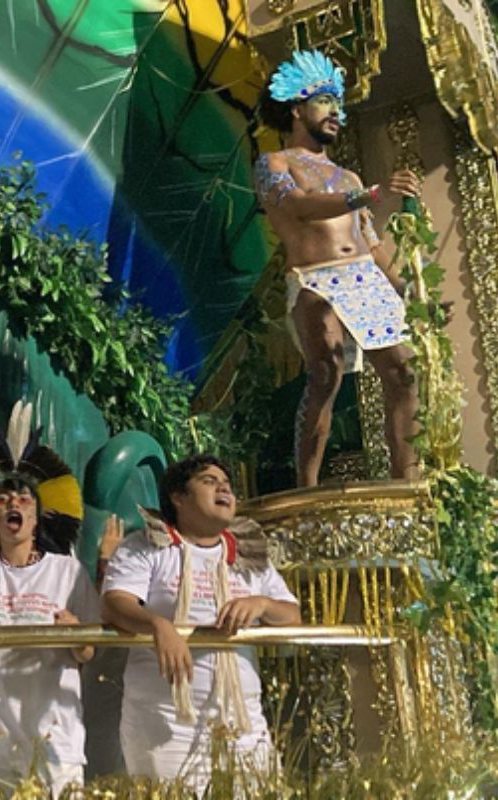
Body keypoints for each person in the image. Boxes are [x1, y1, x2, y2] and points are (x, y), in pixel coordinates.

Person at [255, 51, 421, 487]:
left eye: (338, 104)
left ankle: (408, 482)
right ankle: (307, 485)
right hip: (315, 277)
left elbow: (371, 244)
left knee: (403, 371)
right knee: (326, 372)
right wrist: (368, 195)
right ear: (296, 108)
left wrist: (409, 288)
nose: (336, 113)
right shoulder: (274, 164)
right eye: (326, 101)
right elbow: (297, 206)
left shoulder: (347, 177)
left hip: (363, 277)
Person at [101, 455, 301, 791]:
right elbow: (115, 603)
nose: (223, 487)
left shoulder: (249, 557)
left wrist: (261, 603)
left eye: (226, 483)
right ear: (178, 498)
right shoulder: (146, 546)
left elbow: (293, 617)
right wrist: (158, 626)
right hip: (167, 722)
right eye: (209, 481)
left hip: (244, 721)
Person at [0, 475, 102, 797]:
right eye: (2, 500)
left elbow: (88, 653)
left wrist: (76, 633)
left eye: (24, 500)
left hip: (56, 737)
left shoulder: (68, 571)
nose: (13, 503)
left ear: (36, 517)